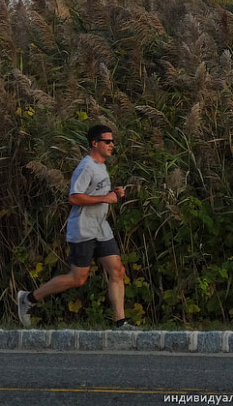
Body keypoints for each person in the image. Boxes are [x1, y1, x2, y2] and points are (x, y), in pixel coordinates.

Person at [17, 124, 137, 329]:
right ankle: (29, 298)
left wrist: (114, 193)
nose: (112, 145)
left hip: (101, 227)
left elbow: (97, 193)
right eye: (107, 141)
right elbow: (74, 197)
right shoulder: (86, 167)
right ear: (95, 143)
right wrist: (106, 198)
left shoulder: (100, 166)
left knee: (117, 270)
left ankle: (121, 322)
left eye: (112, 141)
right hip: (83, 228)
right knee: (77, 278)